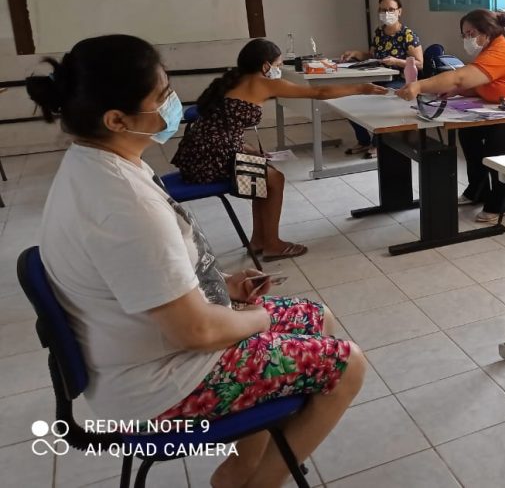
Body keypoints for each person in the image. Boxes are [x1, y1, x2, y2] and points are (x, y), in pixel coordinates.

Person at [27, 35, 365, 488]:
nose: (172, 104)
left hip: (145, 350)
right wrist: (256, 318)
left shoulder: (100, 163)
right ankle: (255, 480)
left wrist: (223, 283)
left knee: (316, 316)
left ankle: (252, 459)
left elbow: (151, 273)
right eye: (161, 95)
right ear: (117, 119)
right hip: (160, 388)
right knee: (348, 364)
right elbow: (198, 331)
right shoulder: (123, 205)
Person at [172, 38, 387, 261]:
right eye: (278, 64)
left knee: (263, 174)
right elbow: (319, 92)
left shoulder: (231, 81)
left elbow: (222, 125)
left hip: (198, 155)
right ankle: (272, 244)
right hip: (208, 161)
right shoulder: (264, 83)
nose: (278, 70)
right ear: (266, 66)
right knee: (275, 179)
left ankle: (258, 240)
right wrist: (362, 87)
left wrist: (244, 148)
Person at [397, 9, 505, 223]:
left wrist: (419, 85)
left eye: (470, 33)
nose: (467, 39)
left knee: (495, 142)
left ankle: (501, 202)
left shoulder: (502, 52)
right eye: (464, 35)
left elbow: (460, 78)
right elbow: (482, 85)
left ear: (487, 31)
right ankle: (478, 190)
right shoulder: (489, 52)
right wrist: (457, 91)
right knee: (469, 132)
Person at [339, 0, 423, 159]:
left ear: (399, 11)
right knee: (349, 101)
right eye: (383, 10)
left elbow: (419, 63)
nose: (387, 13)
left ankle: (380, 144)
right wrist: (356, 53)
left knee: (379, 101)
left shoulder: (408, 35)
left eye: (391, 9)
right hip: (378, 78)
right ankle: (364, 141)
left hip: (399, 81)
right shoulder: (379, 32)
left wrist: (396, 61)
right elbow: (373, 57)